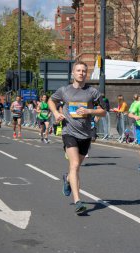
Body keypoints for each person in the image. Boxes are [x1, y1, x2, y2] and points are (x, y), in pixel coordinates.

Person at [48, 61, 106, 214]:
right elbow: (51, 100)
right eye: (78, 70)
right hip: (69, 132)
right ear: (72, 73)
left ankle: (67, 179)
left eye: (83, 71)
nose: (81, 73)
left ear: (86, 74)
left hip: (85, 134)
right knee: (74, 165)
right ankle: (78, 201)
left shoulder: (93, 92)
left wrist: (89, 111)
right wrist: (55, 113)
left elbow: (103, 111)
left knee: (76, 167)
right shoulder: (64, 91)